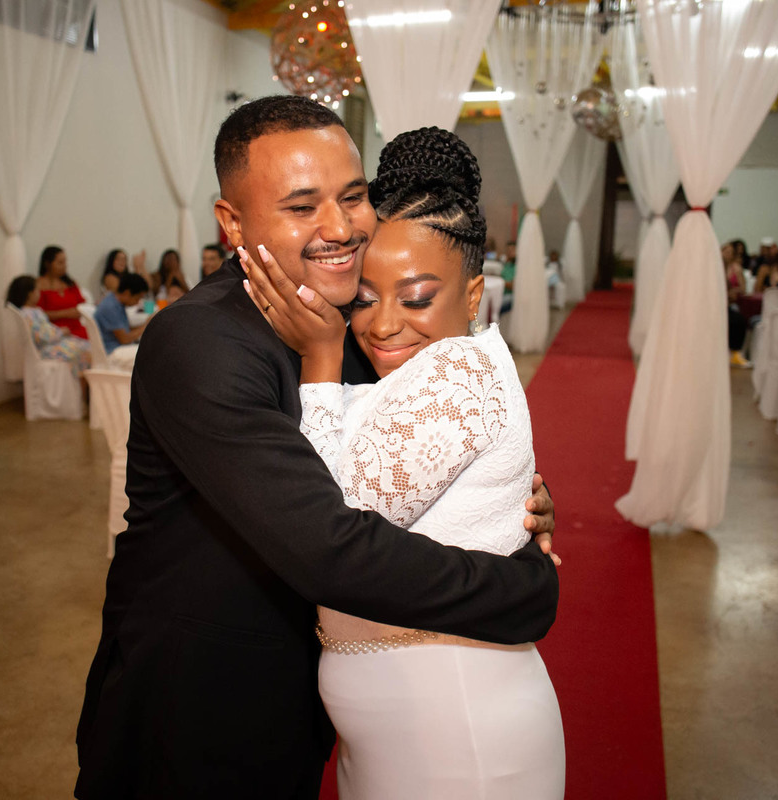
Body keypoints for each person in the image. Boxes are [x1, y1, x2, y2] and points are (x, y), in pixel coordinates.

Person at [74, 96, 559, 800]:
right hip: (193, 712)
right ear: (232, 222)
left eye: (353, 197)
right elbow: (330, 547)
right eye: (303, 206)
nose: (339, 227)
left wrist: (515, 498)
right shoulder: (200, 342)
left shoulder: (354, 320)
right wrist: (522, 587)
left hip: (307, 705)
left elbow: (432, 442)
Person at [238, 127, 565, 797]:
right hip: (400, 733)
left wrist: (321, 358)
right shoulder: (419, 370)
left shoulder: (460, 369)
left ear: (472, 296)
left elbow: (328, 525)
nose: (383, 324)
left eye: (416, 298)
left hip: (460, 733)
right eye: (364, 298)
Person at [6, 276, 91, 378]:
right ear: (30, 294)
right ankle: (83, 383)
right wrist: (61, 332)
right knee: (84, 349)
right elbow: (42, 336)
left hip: (49, 346)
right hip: (46, 350)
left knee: (82, 345)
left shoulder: (32, 312)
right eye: (37, 290)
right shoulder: (29, 314)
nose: (39, 293)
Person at [36, 245, 88, 339]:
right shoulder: (38, 286)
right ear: (48, 264)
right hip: (55, 333)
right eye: (60, 263)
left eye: (65, 262)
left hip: (77, 329)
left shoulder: (70, 283)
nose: (64, 266)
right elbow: (38, 314)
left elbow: (82, 305)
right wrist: (64, 313)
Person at [93, 272, 151, 355]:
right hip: (112, 351)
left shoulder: (116, 302)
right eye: (137, 298)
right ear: (127, 293)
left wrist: (147, 324)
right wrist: (146, 326)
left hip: (119, 347)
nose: (138, 302)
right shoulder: (110, 307)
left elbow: (125, 329)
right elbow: (125, 339)